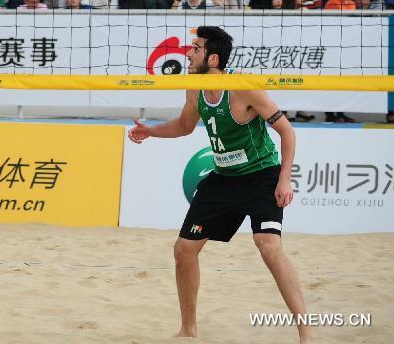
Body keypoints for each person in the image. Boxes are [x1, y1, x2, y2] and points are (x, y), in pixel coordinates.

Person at [128, 26, 314, 344]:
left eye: (195, 49)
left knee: (268, 246)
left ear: (213, 58)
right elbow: (185, 126)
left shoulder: (243, 88)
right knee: (184, 250)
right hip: (223, 179)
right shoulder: (195, 88)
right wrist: (151, 132)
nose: (188, 54)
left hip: (261, 175)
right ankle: (188, 330)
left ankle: (306, 334)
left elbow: (288, 132)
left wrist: (285, 180)